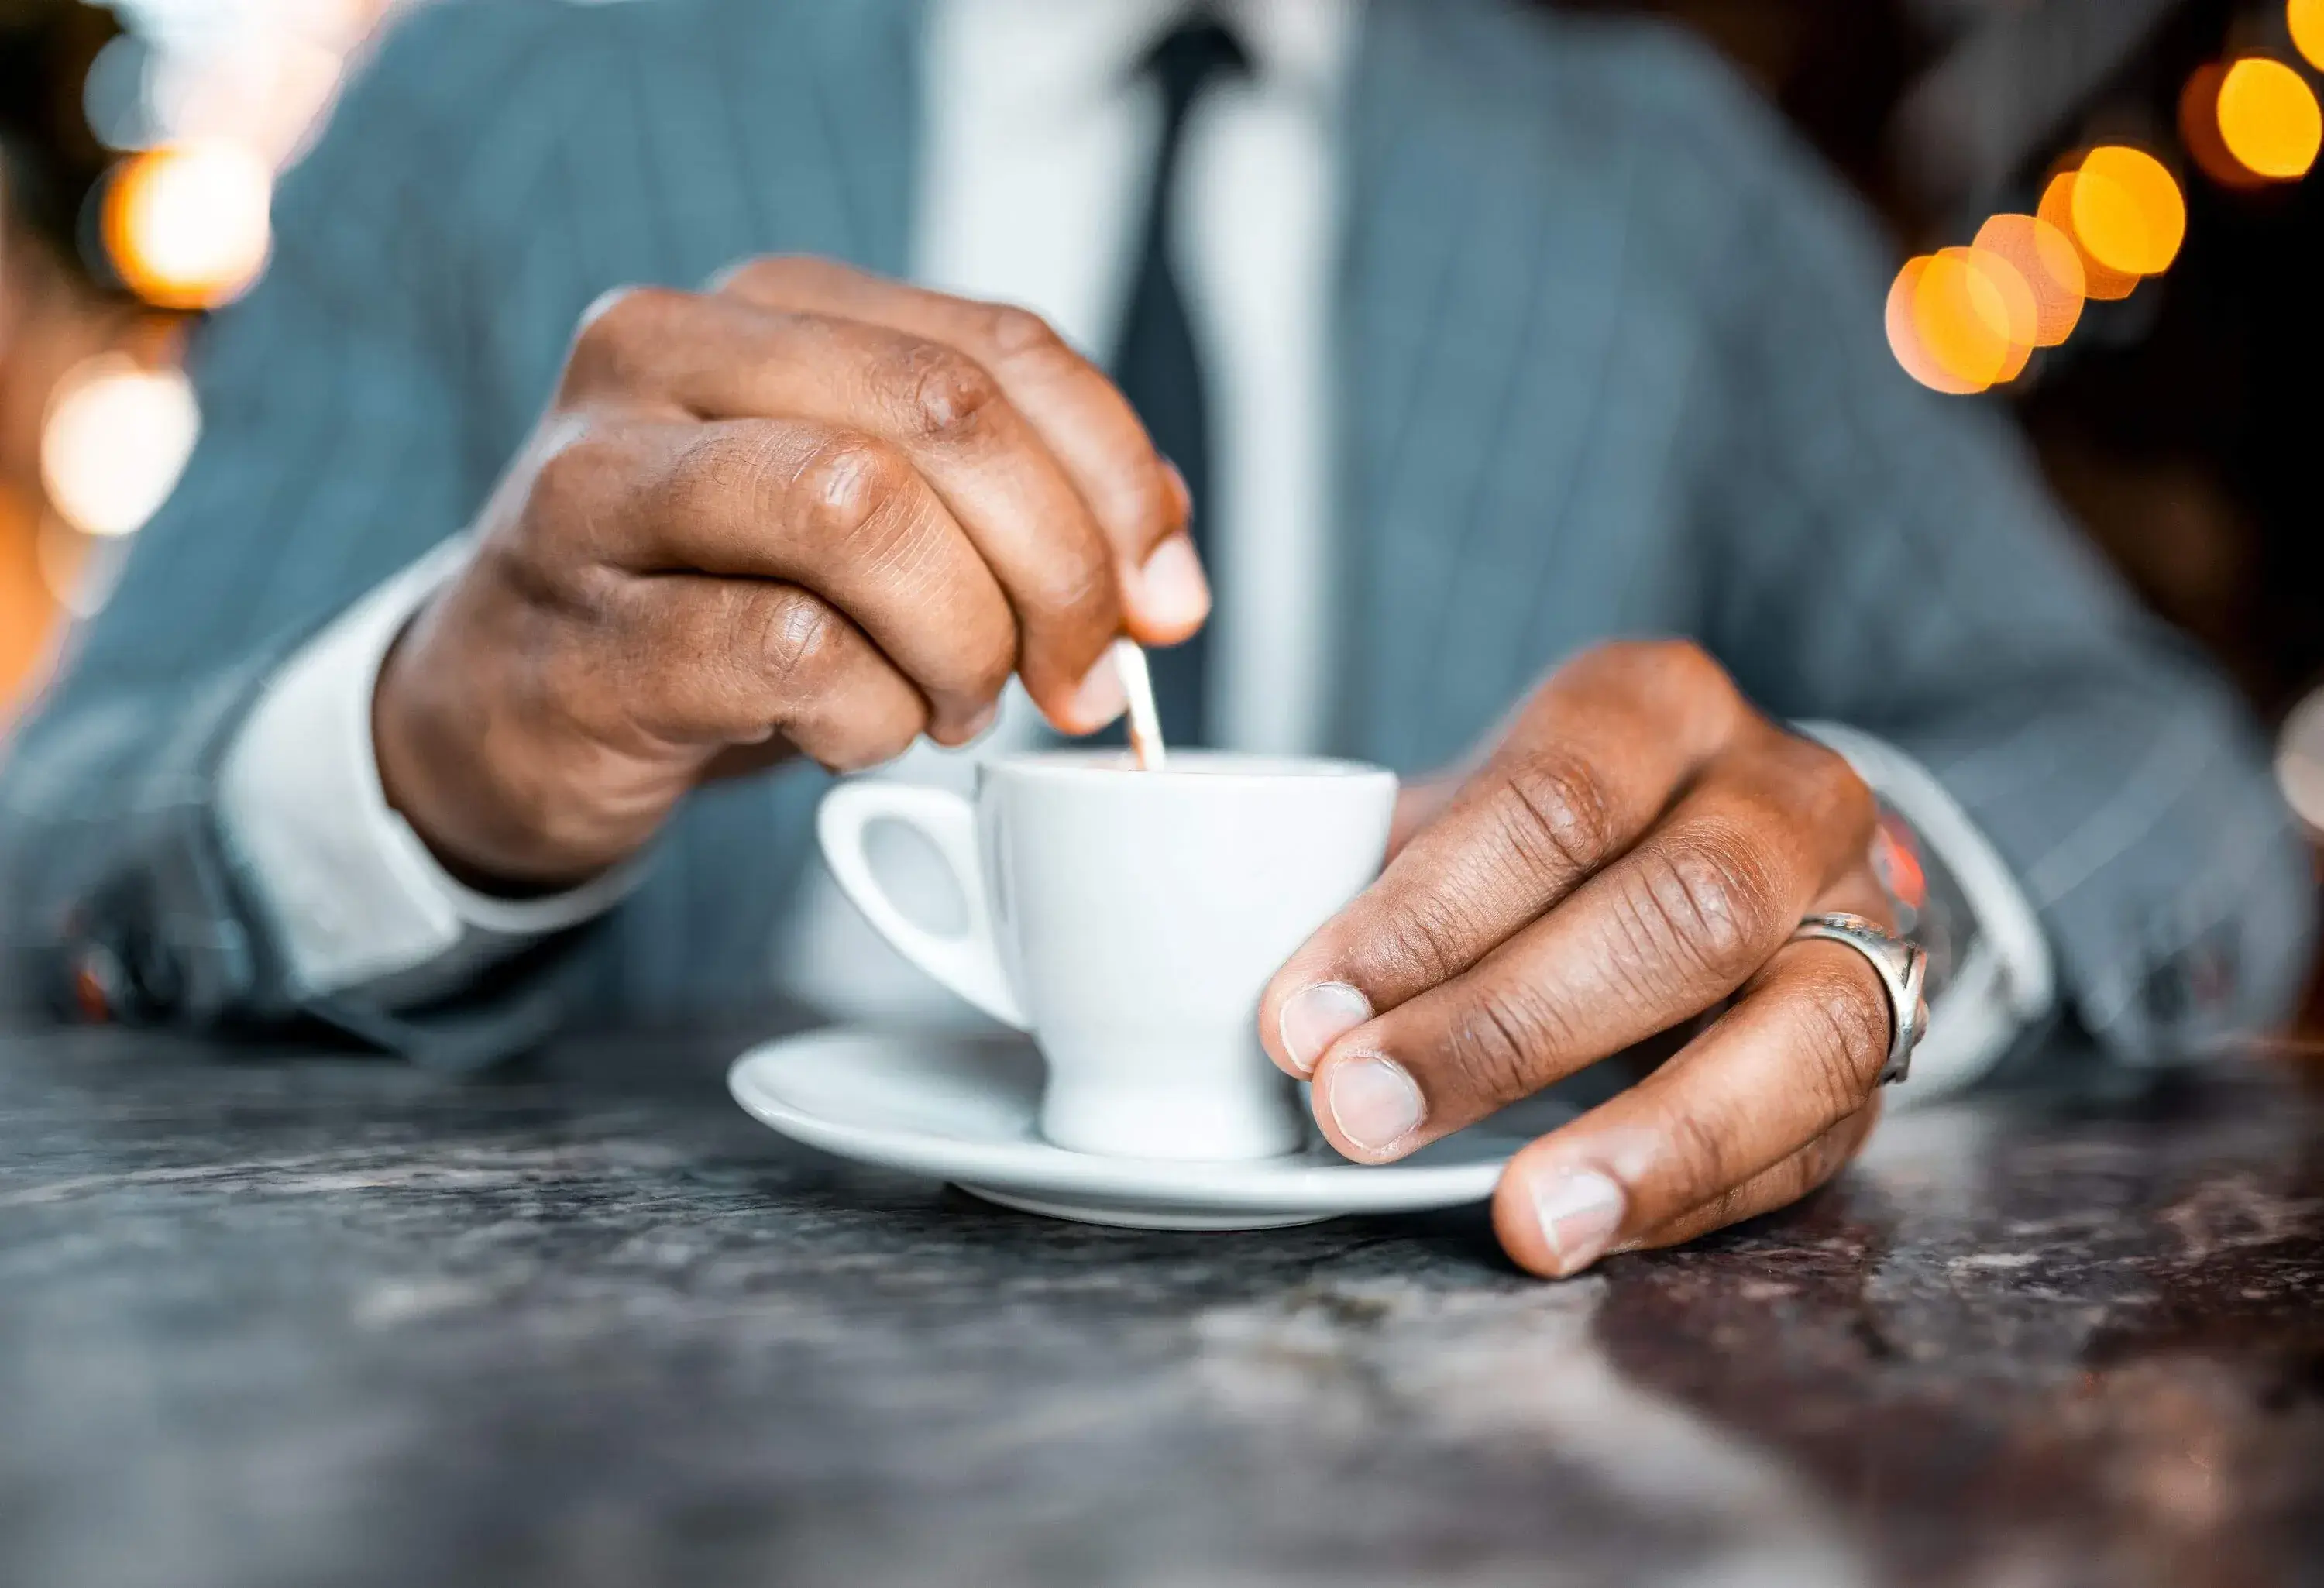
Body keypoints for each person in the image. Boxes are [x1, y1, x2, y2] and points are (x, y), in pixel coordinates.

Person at [0, 0, 2308, 1279]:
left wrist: (1862, 889)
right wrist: (437, 747)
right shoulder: (509, 87)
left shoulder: (1666, 181)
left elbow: (2152, 764)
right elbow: (61, 838)